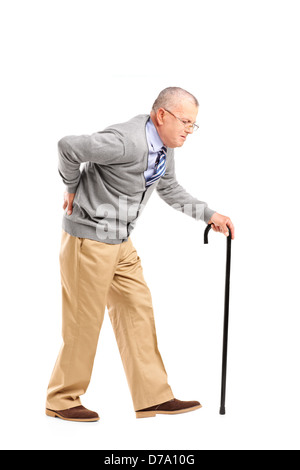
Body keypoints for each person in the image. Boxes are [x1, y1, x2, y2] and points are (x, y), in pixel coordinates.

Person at [46, 87, 235, 422]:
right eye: (186, 122)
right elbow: (68, 147)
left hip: (120, 241)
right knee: (83, 323)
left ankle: (152, 396)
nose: (189, 131)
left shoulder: (163, 144)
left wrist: (209, 215)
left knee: (137, 311)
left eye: (193, 125)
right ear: (162, 115)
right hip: (89, 242)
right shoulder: (124, 141)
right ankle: (61, 399)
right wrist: (71, 186)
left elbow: (168, 187)